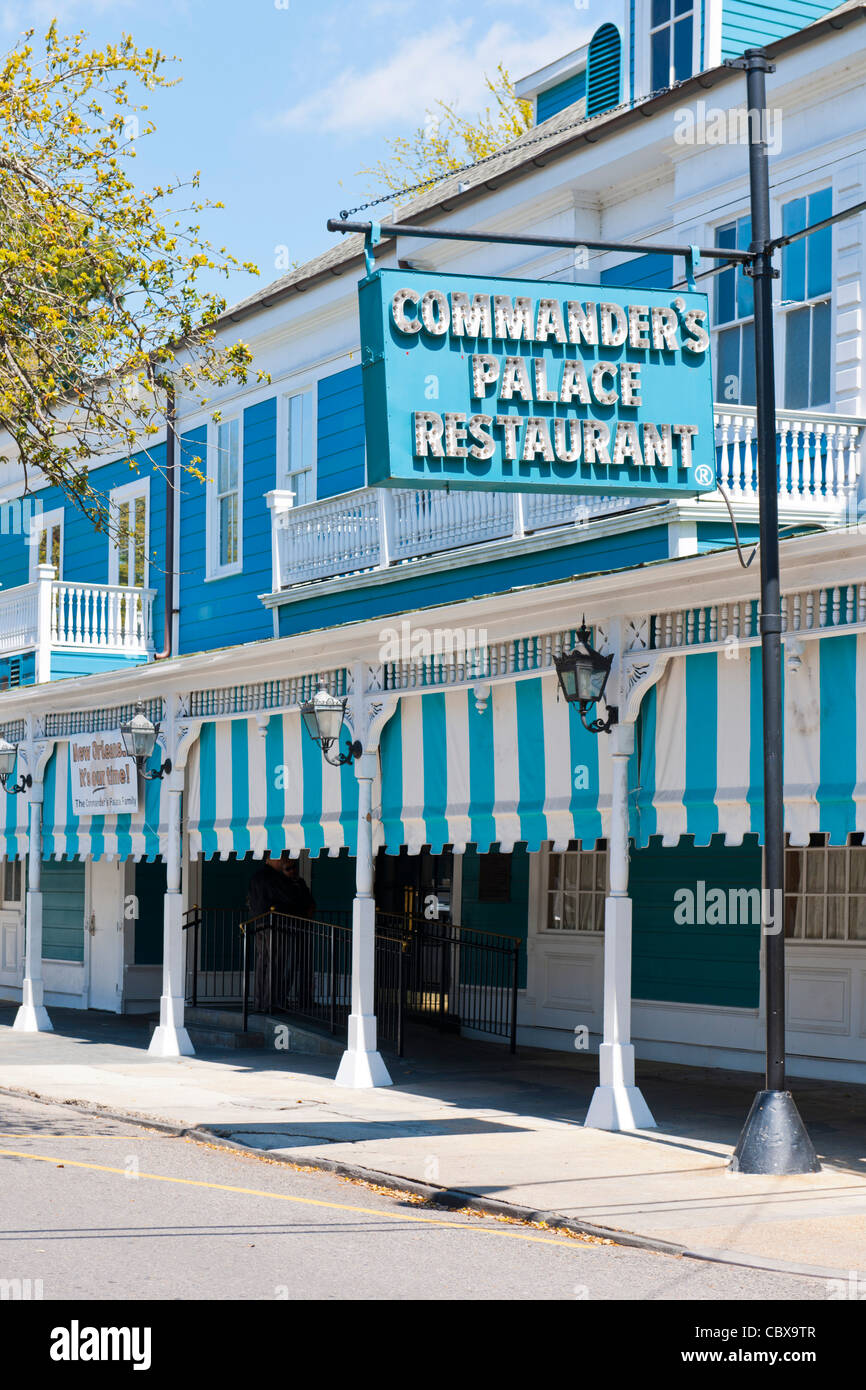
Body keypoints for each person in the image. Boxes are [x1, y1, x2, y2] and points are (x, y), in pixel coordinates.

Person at [246, 853, 316, 1013]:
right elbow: (289, 898)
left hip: (260, 924)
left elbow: (250, 900)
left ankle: (260, 1002)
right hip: (276, 925)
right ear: (272, 858)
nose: (282, 861)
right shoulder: (273, 877)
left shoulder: (256, 877)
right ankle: (271, 1003)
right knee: (276, 964)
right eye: (280, 858)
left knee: (262, 962)